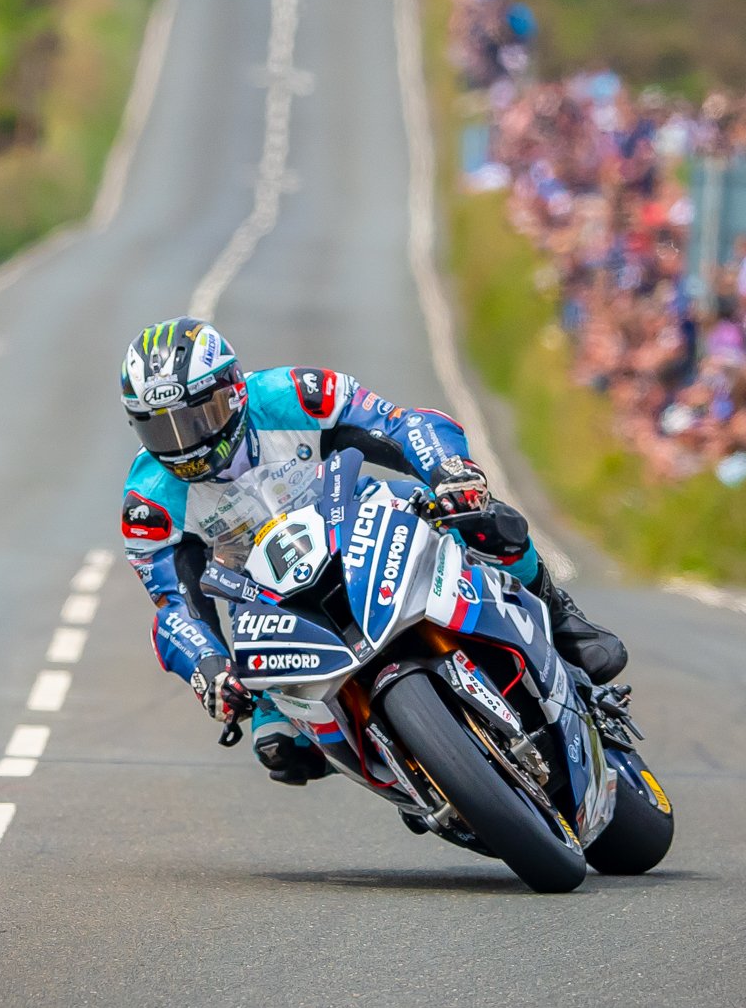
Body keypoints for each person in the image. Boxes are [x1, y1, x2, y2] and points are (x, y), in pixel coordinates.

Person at [119, 317, 626, 783]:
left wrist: (450, 471)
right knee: (280, 749)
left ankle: (559, 618)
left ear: (232, 394)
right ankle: (418, 771)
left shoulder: (292, 394)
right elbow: (174, 608)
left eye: (196, 418)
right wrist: (209, 668)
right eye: (159, 427)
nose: (184, 444)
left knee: (486, 522)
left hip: (363, 521)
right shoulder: (148, 501)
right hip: (270, 601)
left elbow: (404, 424)